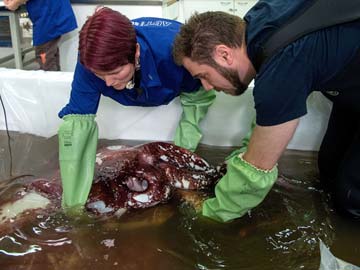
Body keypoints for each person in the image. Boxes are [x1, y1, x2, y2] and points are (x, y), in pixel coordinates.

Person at [172, 0, 360, 222]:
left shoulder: (282, 64)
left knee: (350, 194)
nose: (207, 87)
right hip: (350, 78)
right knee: (329, 164)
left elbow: (256, 169)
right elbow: (268, 118)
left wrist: (208, 213)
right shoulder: (257, 24)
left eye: (203, 76)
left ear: (224, 54)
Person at [58, 7, 215, 209]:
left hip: (168, 66)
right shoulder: (90, 64)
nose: (107, 83)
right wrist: (73, 204)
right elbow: (77, 125)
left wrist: (180, 159)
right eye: (100, 75)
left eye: (115, 72)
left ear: (136, 52)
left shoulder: (176, 51)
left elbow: (197, 99)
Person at [4, 0, 77, 71]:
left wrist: (15, 3)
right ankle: (53, 80)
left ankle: (48, 81)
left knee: (45, 60)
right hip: (50, 13)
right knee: (50, 56)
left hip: (48, 16)